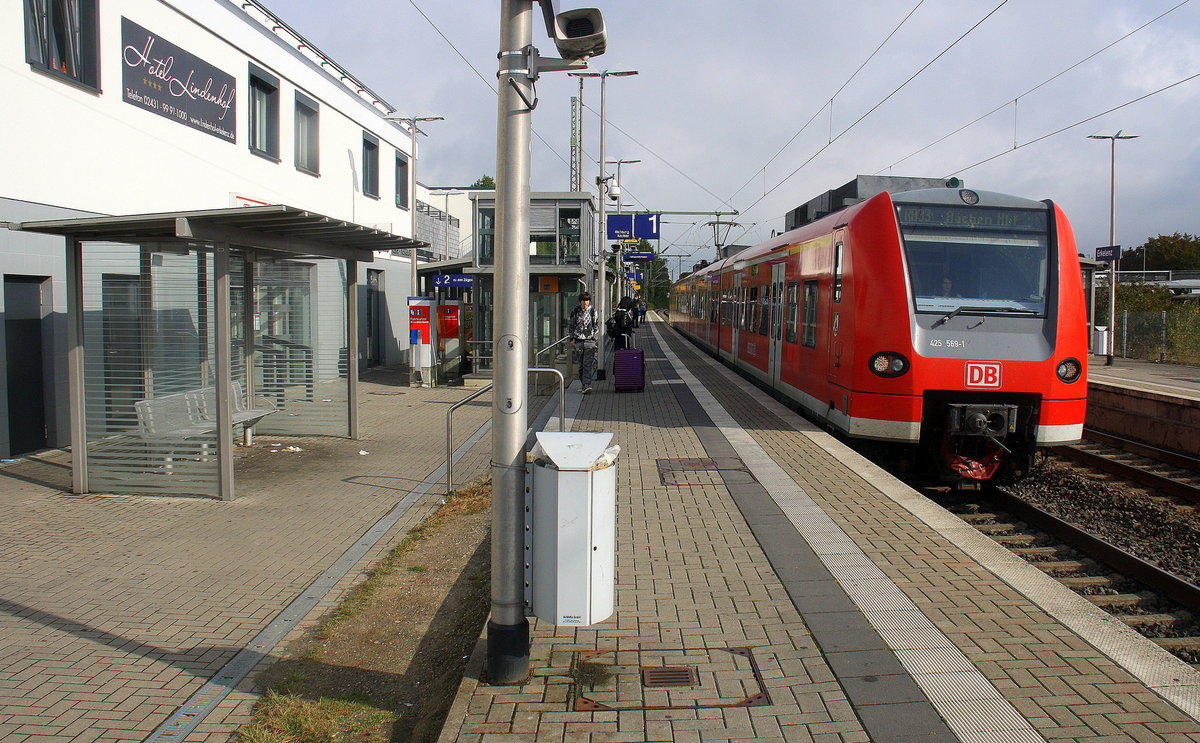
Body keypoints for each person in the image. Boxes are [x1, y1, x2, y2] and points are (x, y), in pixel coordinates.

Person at [568, 291, 598, 394]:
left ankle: (587, 385)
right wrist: (571, 339)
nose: (585, 302)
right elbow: (571, 325)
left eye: (587, 300)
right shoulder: (575, 311)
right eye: (583, 300)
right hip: (578, 340)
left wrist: (594, 338)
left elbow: (596, 325)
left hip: (589, 340)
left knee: (587, 364)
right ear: (580, 301)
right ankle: (583, 383)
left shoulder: (593, 311)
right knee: (581, 364)